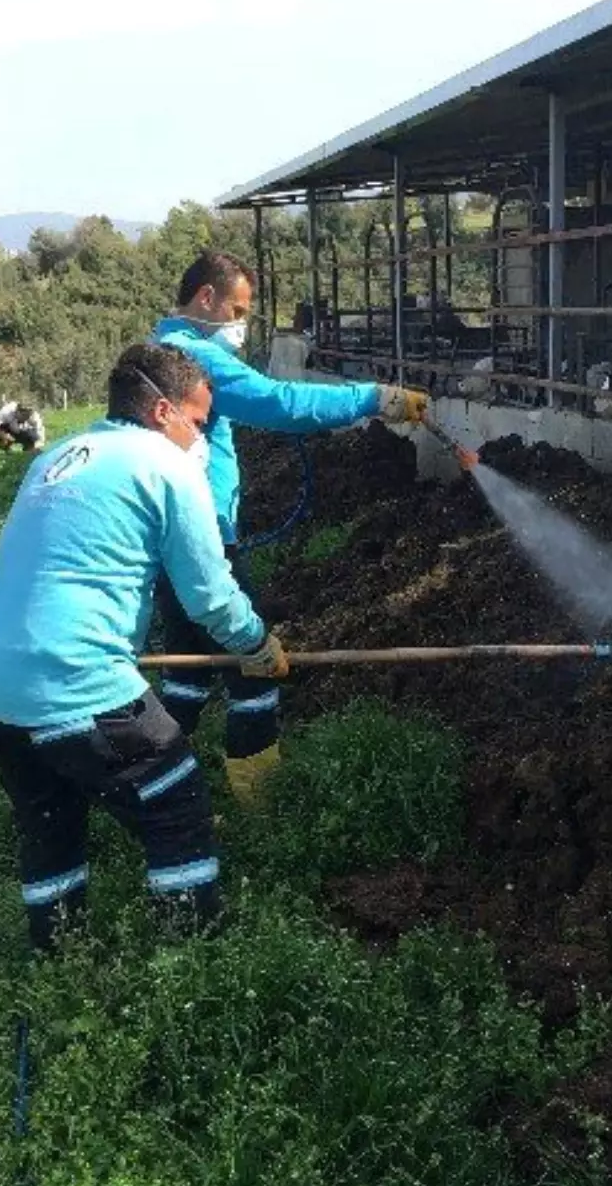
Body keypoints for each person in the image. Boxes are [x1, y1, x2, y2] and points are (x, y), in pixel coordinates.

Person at [0, 343, 287, 953]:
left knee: (49, 817)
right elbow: (209, 595)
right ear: (164, 411)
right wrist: (257, 644)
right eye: (199, 421)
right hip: (70, 675)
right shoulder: (166, 465)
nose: (201, 438)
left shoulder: (57, 456)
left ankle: (59, 959)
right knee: (176, 801)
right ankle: (192, 963)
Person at [150, 250, 428, 806]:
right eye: (238, 309)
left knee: (187, 668)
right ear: (206, 298)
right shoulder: (194, 356)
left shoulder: (159, 351)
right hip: (204, 539)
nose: (241, 324)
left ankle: (150, 786)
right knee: (252, 670)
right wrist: (374, 399)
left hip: (171, 538)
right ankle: (261, 806)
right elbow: (279, 402)